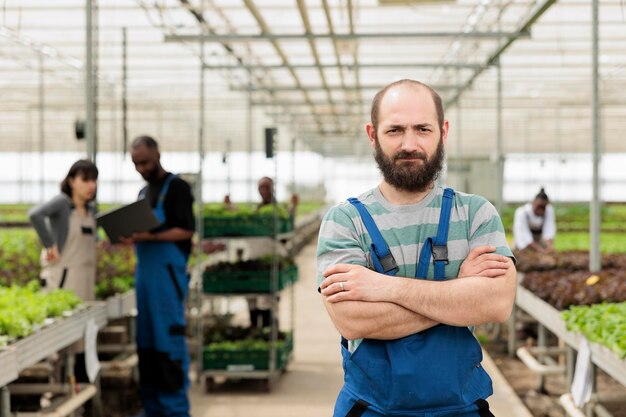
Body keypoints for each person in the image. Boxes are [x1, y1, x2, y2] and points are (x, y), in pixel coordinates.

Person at [317, 79, 516, 417]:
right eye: (395, 130)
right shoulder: (345, 220)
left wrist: (383, 287)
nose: (409, 143)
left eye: (423, 129)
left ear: (443, 131)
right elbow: (352, 320)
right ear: (372, 134)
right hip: (370, 408)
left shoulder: (474, 213)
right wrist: (458, 295)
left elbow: (495, 303)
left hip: (461, 408)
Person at [121, 135, 194, 417]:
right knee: (147, 343)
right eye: (136, 163)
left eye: (145, 162)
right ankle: (152, 408)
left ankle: (174, 409)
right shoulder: (143, 193)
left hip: (166, 278)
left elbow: (186, 230)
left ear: (158, 155)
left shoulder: (177, 188)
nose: (141, 168)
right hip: (145, 279)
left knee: (168, 342)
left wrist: (149, 236)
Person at [29, 159, 99, 301]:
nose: (91, 185)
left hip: (86, 278)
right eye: (85, 180)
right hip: (63, 277)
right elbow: (35, 214)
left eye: (94, 180)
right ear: (71, 181)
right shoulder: (62, 203)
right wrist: (50, 245)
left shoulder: (91, 210)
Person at [513, 188, 556, 253]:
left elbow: (549, 229)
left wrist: (549, 246)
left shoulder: (548, 210)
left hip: (539, 240)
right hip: (524, 243)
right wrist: (539, 249)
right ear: (533, 202)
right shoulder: (522, 212)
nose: (541, 210)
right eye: (539, 207)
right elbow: (524, 234)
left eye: (543, 208)